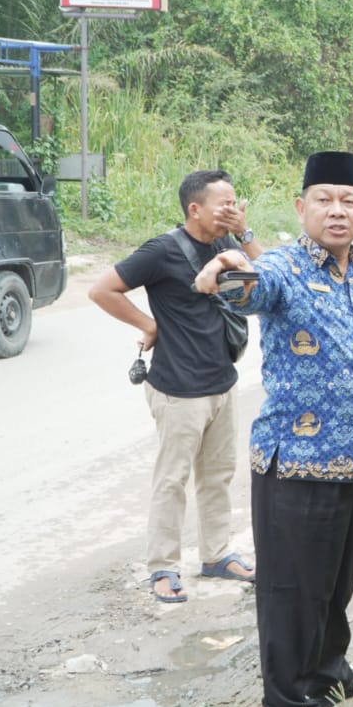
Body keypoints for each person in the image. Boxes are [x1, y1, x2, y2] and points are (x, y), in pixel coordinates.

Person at [192, 152, 353, 707]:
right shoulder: (283, 268)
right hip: (296, 463)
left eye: (347, 201)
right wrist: (224, 272)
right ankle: (290, 696)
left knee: (336, 585)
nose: (336, 211)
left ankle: (328, 672)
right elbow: (249, 287)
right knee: (292, 592)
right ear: (301, 207)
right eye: (323, 200)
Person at [88, 170, 262, 604]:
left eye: (235, 203)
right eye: (224, 205)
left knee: (218, 476)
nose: (231, 210)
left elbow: (264, 280)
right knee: (172, 480)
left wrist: (244, 235)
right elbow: (102, 289)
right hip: (178, 389)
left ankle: (217, 554)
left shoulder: (226, 243)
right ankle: (163, 567)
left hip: (222, 382)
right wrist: (150, 324)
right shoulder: (161, 250)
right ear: (194, 208)